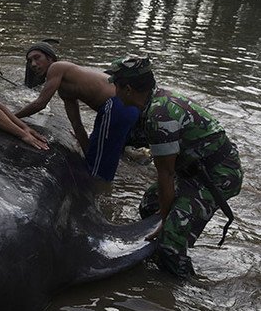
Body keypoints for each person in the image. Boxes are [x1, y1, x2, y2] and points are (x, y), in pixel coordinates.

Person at [106, 55, 243, 278]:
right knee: (150, 204)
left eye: (116, 86)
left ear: (128, 89)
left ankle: (184, 291)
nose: (114, 92)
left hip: (219, 176)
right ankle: (160, 252)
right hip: (194, 170)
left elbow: (166, 174)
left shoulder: (160, 116)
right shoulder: (154, 102)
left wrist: (166, 220)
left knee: (170, 242)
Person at [15, 41, 140, 182]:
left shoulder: (57, 67)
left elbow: (40, 103)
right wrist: (88, 156)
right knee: (96, 155)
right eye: (30, 61)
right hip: (121, 108)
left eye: (37, 58)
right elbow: (76, 124)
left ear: (50, 58)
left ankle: (100, 189)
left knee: (98, 170)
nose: (33, 64)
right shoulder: (65, 91)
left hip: (116, 106)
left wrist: (12, 117)